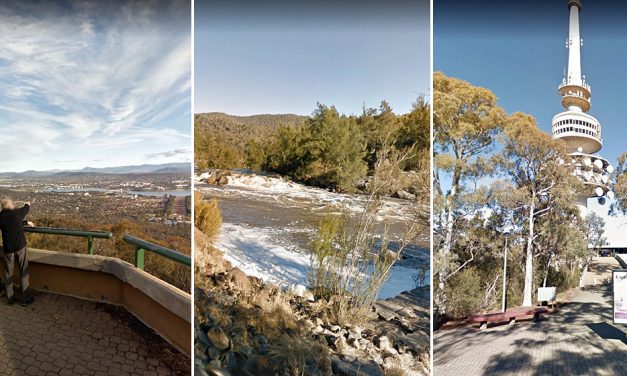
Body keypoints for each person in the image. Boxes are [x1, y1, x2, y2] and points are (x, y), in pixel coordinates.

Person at [0, 197, 34, 306]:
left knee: (8, 274)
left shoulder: (1, 217)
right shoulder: (17, 213)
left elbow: (10, 223)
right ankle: (25, 299)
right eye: (12, 204)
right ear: (9, 205)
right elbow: (26, 208)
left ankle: (9, 298)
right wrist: (27, 203)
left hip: (8, 250)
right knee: (23, 271)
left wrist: (24, 222)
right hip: (20, 247)